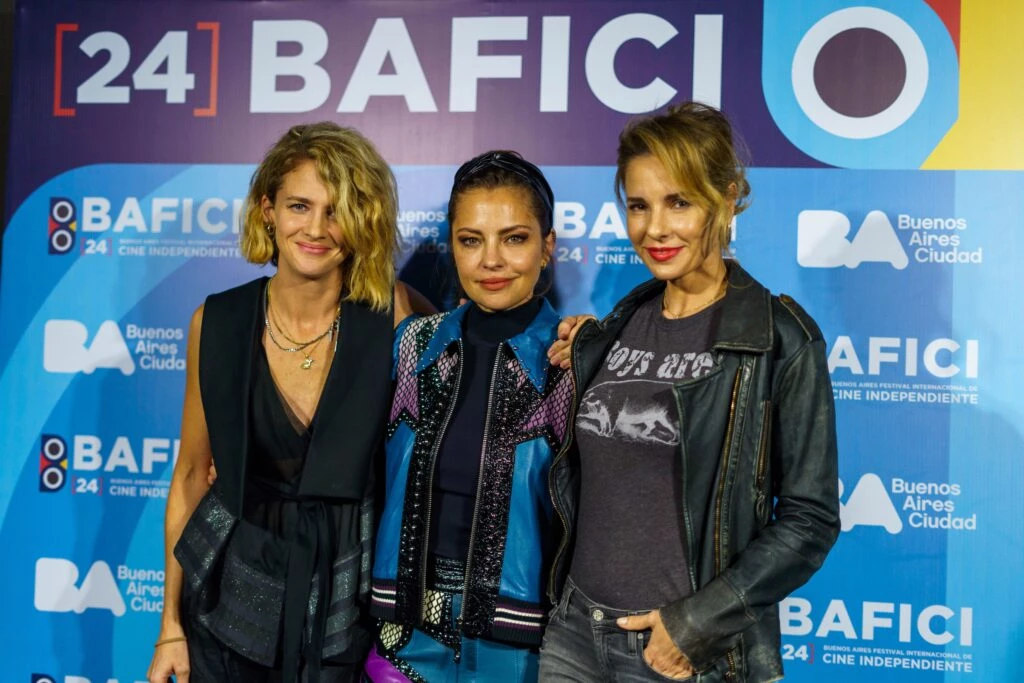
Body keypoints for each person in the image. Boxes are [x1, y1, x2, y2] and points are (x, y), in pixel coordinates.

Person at [540, 102, 840, 682]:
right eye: (638, 205)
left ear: (725, 199)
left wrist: (695, 625)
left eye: (678, 202)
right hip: (574, 635)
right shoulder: (616, 326)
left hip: (680, 653)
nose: (655, 228)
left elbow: (810, 521)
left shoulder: (778, 340)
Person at [147, 122, 428, 683]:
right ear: (268, 210)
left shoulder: (396, 315)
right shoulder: (216, 323)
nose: (316, 229)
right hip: (226, 602)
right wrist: (170, 627)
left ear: (363, 221)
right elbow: (191, 476)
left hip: (345, 607)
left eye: (337, 211)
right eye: (300, 206)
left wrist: (576, 340)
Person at [364, 151, 576, 682]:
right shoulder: (411, 346)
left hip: (520, 645)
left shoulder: (575, 362)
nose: (491, 261)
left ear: (547, 247)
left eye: (514, 238)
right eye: (471, 240)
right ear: (452, 246)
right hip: (404, 635)